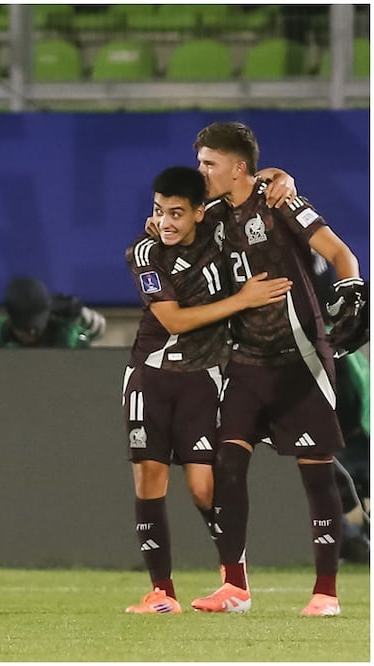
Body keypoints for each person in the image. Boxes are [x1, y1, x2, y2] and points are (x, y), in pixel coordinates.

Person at [188, 121, 366, 617]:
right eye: (200, 162)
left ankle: (326, 592)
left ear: (237, 167)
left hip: (300, 359)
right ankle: (235, 587)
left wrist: (351, 289)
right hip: (244, 360)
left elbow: (340, 253)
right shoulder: (213, 213)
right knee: (227, 464)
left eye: (209, 163)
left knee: (315, 474)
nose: (201, 171)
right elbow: (172, 220)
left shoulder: (280, 202)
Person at [121, 166, 293, 614]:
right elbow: (173, 321)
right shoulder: (145, 252)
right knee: (149, 479)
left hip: (204, 377)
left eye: (177, 213)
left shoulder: (219, 225)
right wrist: (243, 300)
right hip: (150, 375)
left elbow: (249, 185)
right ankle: (162, 592)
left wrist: (278, 176)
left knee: (203, 487)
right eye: (159, 212)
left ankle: (234, 582)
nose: (166, 223)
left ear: (200, 211)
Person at [0, 276, 106, 348]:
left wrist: (78, 313)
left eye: (36, 328)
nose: (32, 335)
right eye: (25, 330)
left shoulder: (67, 335)